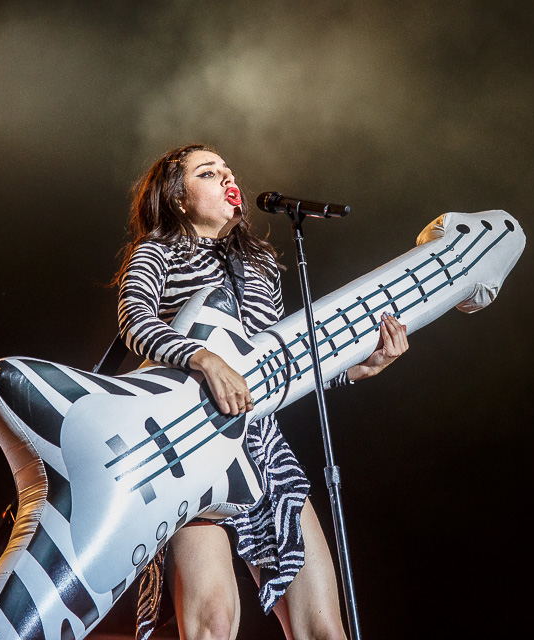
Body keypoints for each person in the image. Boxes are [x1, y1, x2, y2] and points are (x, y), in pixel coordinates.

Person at [114, 143, 409, 640]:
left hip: (261, 445)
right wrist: (204, 359)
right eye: (208, 173)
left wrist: (356, 370)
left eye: (228, 171)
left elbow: (278, 366)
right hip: (187, 444)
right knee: (213, 623)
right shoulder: (157, 251)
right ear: (178, 198)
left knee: (323, 629)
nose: (227, 178)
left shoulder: (261, 264)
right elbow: (135, 322)